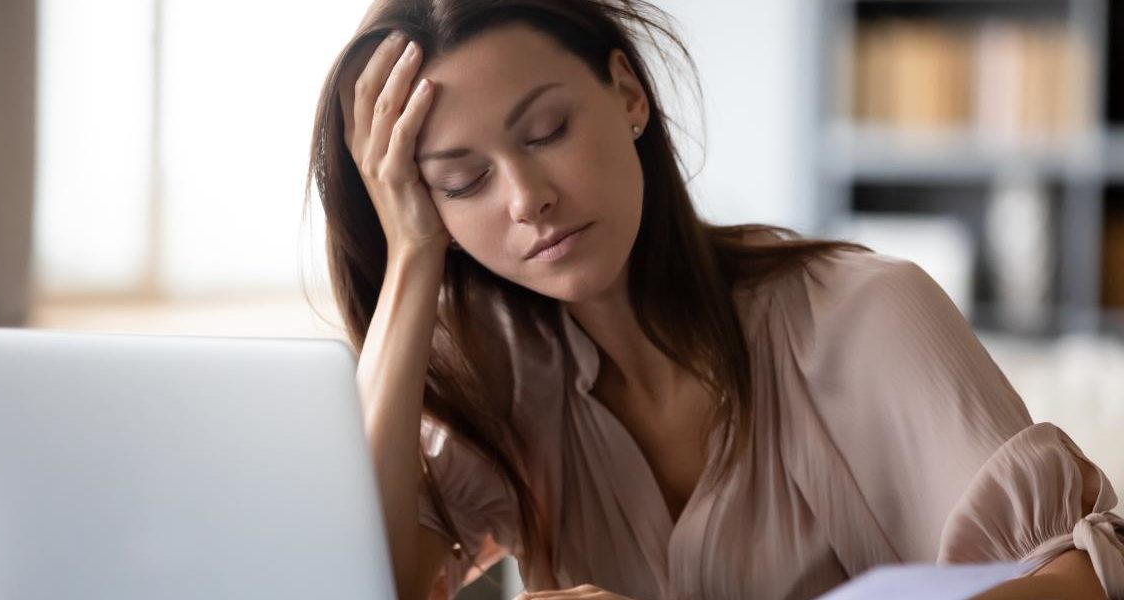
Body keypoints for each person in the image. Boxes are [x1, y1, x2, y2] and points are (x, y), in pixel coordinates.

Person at [305, 1, 1124, 598]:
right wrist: (412, 259)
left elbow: (1082, 582)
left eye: (547, 130)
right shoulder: (508, 376)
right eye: (462, 181)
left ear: (628, 93)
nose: (526, 199)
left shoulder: (866, 315)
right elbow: (364, 579)